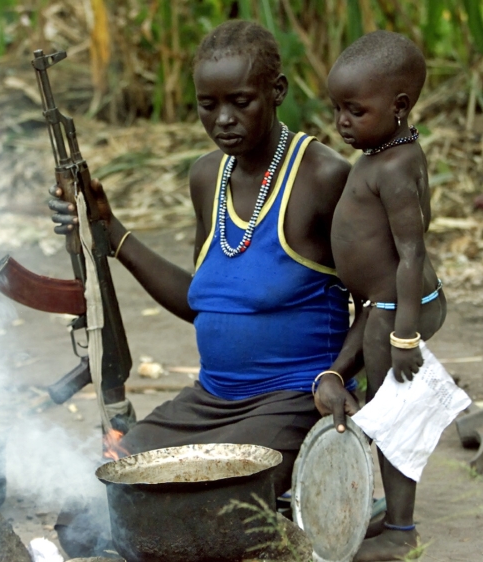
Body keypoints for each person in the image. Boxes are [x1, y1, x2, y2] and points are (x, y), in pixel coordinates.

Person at [48, 19, 362, 556]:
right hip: (209, 402)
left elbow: (381, 301)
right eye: (207, 105)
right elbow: (203, 301)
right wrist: (108, 228)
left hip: (289, 401)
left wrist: (339, 375)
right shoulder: (206, 177)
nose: (223, 120)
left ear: (277, 92)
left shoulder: (322, 177)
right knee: (92, 497)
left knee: (206, 509)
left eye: (240, 101)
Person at [318, 30, 447, 562]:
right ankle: (390, 515)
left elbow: (412, 253)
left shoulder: (394, 167)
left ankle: (401, 530)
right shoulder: (384, 154)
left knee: (393, 413)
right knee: (382, 407)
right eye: (338, 110)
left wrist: (404, 335)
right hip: (383, 304)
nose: (343, 122)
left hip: (398, 308)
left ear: (399, 107)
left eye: (355, 111)